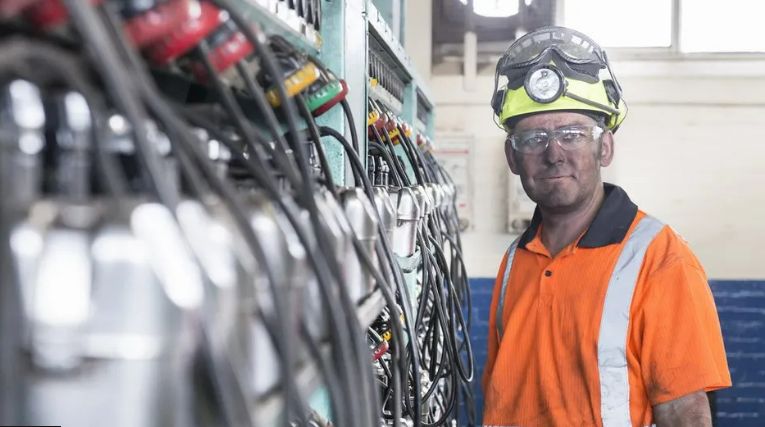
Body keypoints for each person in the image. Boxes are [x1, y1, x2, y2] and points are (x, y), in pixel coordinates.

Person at [481, 26, 731, 427]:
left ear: (606, 148)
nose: (554, 154)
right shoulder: (515, 261)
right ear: (512, 157)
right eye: (533, 138)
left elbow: (685, 413)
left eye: (573, 134)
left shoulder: (661, 259)